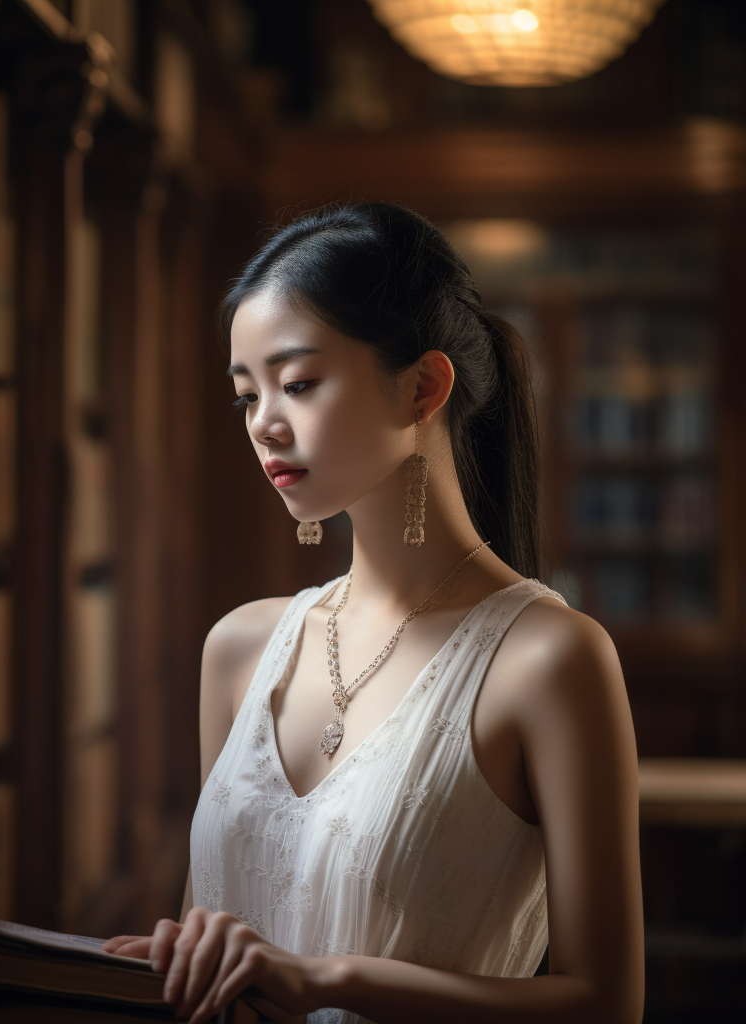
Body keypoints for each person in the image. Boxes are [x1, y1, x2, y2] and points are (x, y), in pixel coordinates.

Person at [103, 202, 643, 1024]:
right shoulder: (241, 649)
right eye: (247, 395)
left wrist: (328, 981)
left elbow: (607, 1005)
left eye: (300, 383)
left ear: (423, 386)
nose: (264, 425)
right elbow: (213, 940)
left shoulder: (549, 659)